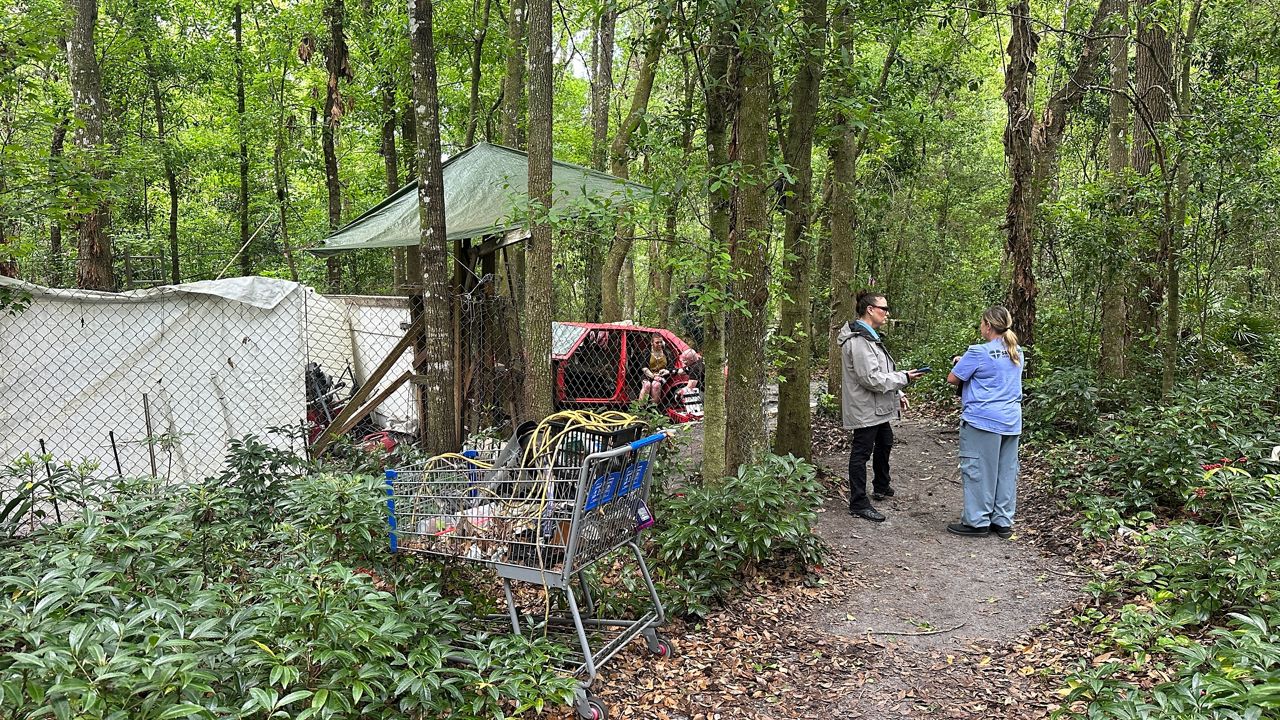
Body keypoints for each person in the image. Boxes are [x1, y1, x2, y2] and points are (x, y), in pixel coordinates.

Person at [838, 291, 927, 522]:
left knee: (885, 441)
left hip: (876, 406)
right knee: (861, 453)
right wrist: (904, 378)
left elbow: (882, 372)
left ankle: (881, 485)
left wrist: (898, 391)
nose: (887, 313)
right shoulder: (859, 341)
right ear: (870, 309)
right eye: (883, 309)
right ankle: (858, 502)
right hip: (865, 408)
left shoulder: (870, 337)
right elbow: (871, 378)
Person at [945, 305, 1025, 538]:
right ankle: (1002, 520)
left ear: (988, 326)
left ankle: (978, 521)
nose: (981, 327)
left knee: (979, 469)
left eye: (982, 323)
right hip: (1011, 420)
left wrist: (961, 362)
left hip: (983, 420)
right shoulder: (1016, 351)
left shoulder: (977, 352)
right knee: (1006, 470)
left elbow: (953, 378)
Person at [639, 334, 671, 405]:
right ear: (652, 343)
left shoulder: (666, 353)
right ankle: (641, 406)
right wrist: (653, 376)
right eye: (657, 342)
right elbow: (643, 367)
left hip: (661, 376)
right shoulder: (646, 352)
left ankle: (653, 407)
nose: (659, 344)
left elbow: (670, 367)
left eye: (661, 342)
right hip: (648, 374)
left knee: (656, 385)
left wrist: (664, 372)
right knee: (647, 385)